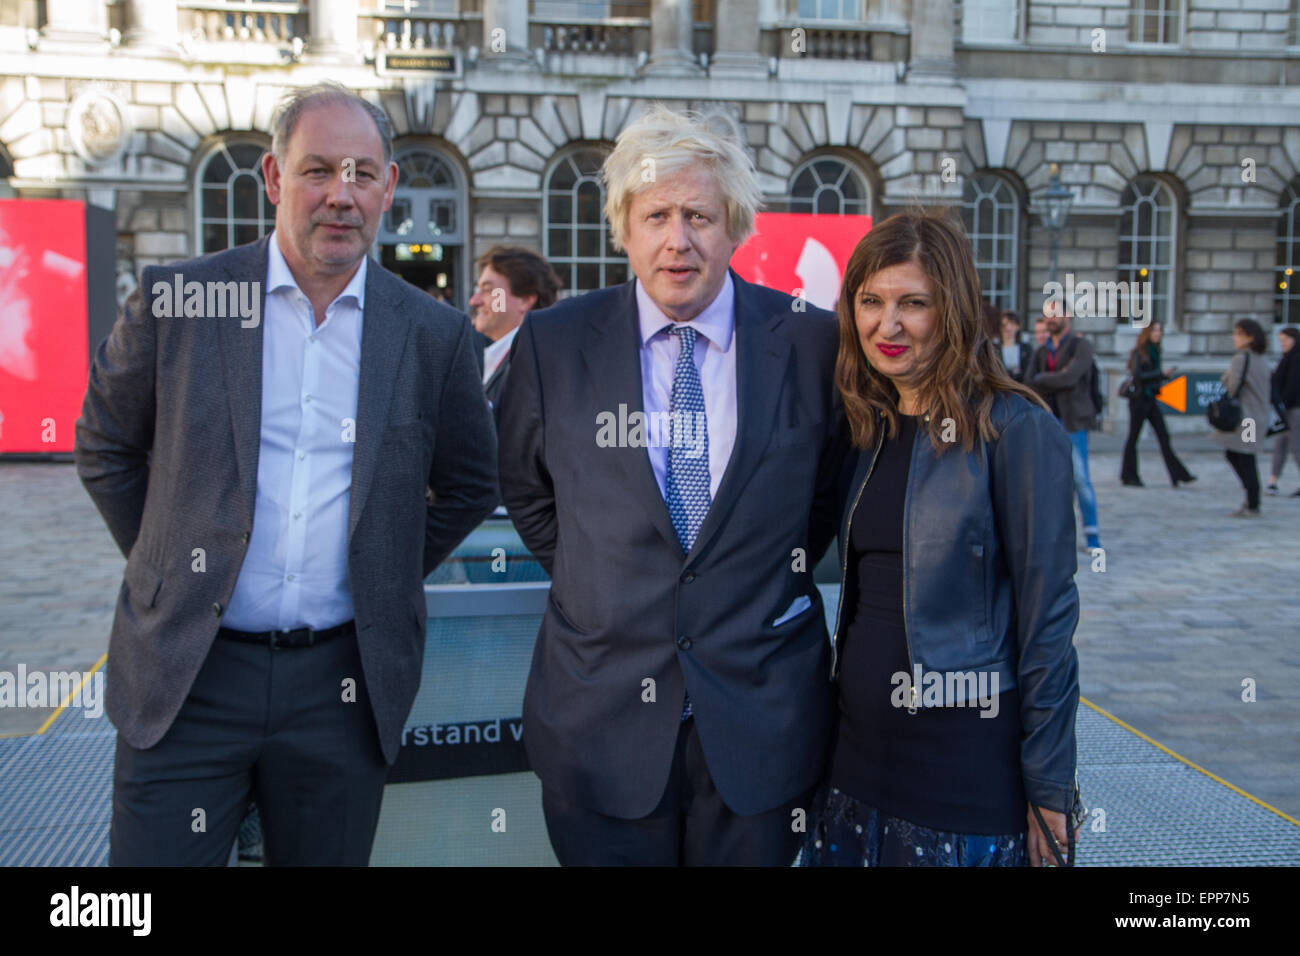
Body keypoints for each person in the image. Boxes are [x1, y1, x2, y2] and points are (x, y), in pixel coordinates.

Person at [75, 82, 499, 865]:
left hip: (342, 689)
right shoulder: (183, 301)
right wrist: (173, 565)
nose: (341, 195)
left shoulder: (433, 335)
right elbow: (104, 447)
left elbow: (473, 484)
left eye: (363, 173)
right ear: (273, 178)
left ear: (389, 187)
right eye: (317, 171)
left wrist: (379, 566)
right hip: (188, 680)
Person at [497, 104, 845, 866]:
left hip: (760, 726)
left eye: (699, 215)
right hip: (599, 722)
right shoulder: (553, 345)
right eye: (655, 214)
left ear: (737, 226)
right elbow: (526, 489)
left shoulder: (814, 342)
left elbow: (822, 500)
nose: (677, 239)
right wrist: (605, 576)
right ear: (623, 225)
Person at [795, 209, 1081, 868]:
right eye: (870, 301)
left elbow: (1050, 619)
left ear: (950, 310)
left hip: (961, 777)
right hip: (853, 770)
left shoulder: (1016, 430)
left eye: (912, 304)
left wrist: (1049, 786)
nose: (886, 325)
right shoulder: (866, 428)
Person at [1027, 300, 1102, 551]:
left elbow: (1071, 377)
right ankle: (1060, 536)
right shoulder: (1041, 352)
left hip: (1073, 422)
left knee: (1080, 479)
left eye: (1055, 314)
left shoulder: (1081, 346)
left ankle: (1092, 535)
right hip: (1048, 422)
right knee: (1053, 482)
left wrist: (1044, 379)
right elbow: (1029, 382)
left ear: (1067, 316)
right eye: (1047, 314)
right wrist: (1049, 379)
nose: (1050, 319)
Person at [467, 245, 561, 424]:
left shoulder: (535, 367)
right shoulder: (511, 357)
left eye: (488, 290)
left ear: (525, 300)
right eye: (478, 290)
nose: (475, 301)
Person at [1120, 320, 1195, 487]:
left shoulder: (1155, 351)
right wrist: (1160, 374)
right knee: (1133, 437)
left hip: (1150, 399)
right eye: (1155, 331)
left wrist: (1162, 376)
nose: (1158, 333)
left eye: (1160, 330)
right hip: (1139, 399)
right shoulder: (1140, 352)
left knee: (1163, 436)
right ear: (1148, 333)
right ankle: (1129, 475)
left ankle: (1178, 474)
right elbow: (1138, 375)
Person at [1213, 318, 1273, 517]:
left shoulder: (1241, 359)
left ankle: (1253, 502)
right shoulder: (1262, 358)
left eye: (1239, 334)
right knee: (1240, 455)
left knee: (1244, 458)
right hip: (1258, 416)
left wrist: (1227, 375)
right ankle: (1251, 499)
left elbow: (1231, 387)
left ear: (1250, 337)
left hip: (1247, 419)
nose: (1234, 338)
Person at [1266, 326, 1300, 496]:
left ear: (1293, 339)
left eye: (1285, 340)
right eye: (1280, 341)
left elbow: (1293, 386)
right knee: (1281, 445)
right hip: (1286, 409)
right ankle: (1273, 481)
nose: (1282, 343)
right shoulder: (1287, 357)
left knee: (1296, 447)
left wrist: (1281, 405)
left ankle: (1273, 481)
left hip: (1293, 409)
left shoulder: (1295, 358)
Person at [998, 309, 1032, 383]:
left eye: (1012, 324)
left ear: (1018, 326)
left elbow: (1029, 371)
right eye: (1004, 325)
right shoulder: (994, 349)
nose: (1008, 328)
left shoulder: (1026, 348)